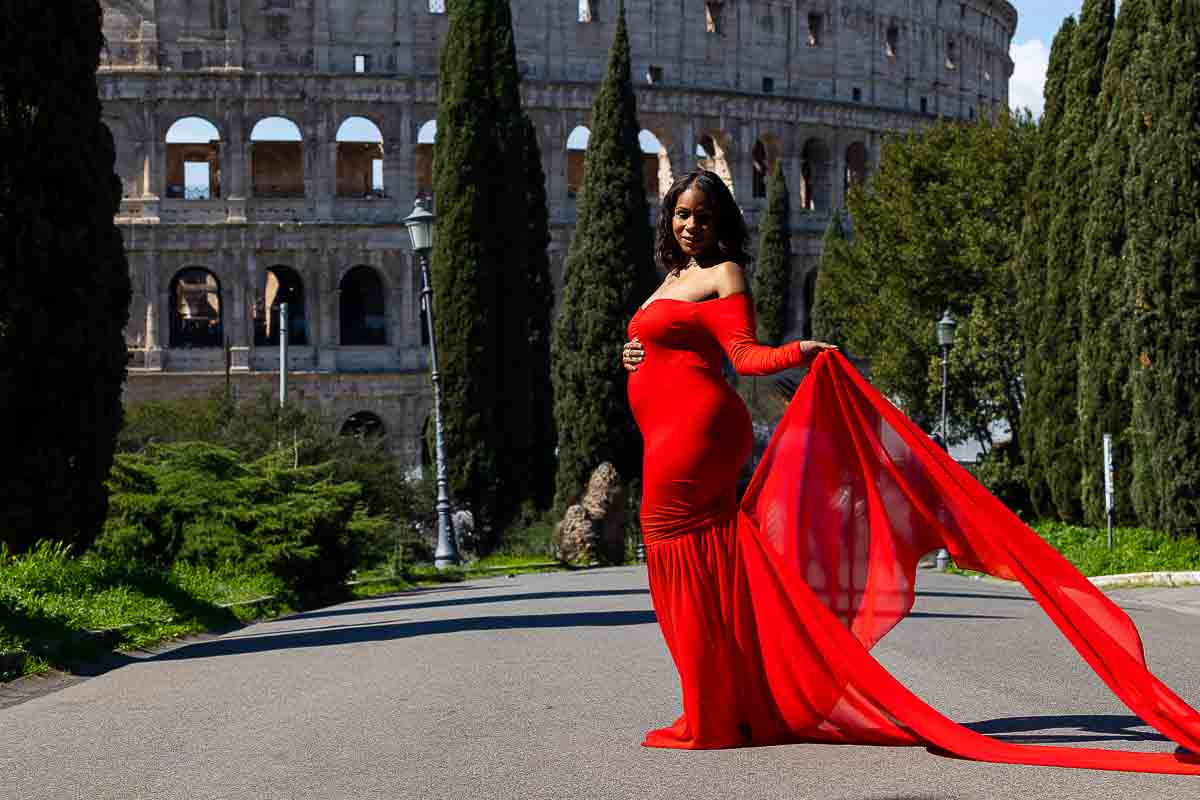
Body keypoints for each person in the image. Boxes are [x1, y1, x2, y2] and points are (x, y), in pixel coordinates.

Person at [619, 169, 1200, 773]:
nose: (691, 226)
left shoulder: (724, 274)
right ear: (670, 218)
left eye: (703, 217)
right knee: (696, 567)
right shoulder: (673, 278)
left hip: (696, 436)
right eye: (682, 215)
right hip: (665, 431)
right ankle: (722, 704)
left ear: (721, 223)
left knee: (676, 555)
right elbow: (660, 345)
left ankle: (711, 714)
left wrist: (803, 352)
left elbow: (744, 355)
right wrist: (632, 352)